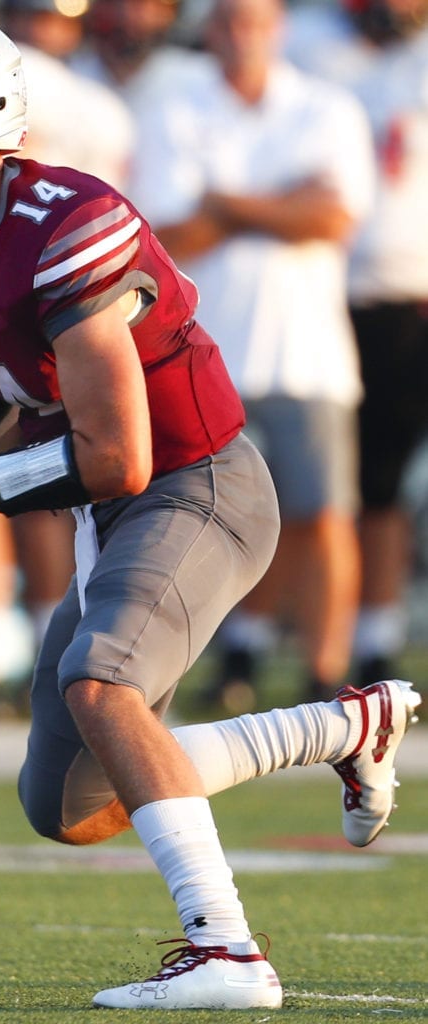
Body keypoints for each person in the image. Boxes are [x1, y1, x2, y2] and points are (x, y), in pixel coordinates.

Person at [0, 5, 421, 1009]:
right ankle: (341, 729)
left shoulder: (67, 223)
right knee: (67, 804)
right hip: (116, 510)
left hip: (196, 485)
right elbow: (13, 371)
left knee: (102, 687)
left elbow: (114, 455)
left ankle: (227, 952)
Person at [121, 0, 376, 708]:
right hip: (203, 355)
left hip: (304, 352)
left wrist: (226, 203)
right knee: (218, 518)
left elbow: (332, 218)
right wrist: (280, 205)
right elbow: (164, 237)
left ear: (278, 28)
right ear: (210, 31)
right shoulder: (175, 108)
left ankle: (328, 673)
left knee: (321, 514)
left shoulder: (325, 106)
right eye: (228, 21)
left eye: (253, 21)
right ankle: (237, 655)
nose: (241, 35)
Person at [284, 0, 428, 685]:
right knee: (338, 484)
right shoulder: (307, 46)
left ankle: (374, 639)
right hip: (329, 294)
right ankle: (350, 640)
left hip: (410, 289)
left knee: (378, 485)